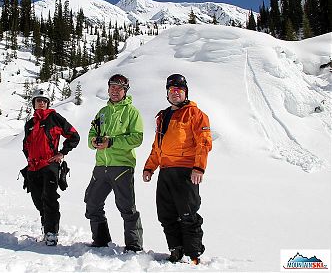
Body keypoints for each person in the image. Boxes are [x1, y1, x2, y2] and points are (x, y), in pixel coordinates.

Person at [143, 74, 212, 265]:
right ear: (167, 93)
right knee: (166, 214)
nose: (175, 94)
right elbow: (158, 146)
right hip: (165, 171)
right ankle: (176, 249)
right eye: (171, 90)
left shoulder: (195, 114)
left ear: (185, 93)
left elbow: (204, 142)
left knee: (188, 214)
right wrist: (149, 167)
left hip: (186, 171)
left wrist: (199, 167)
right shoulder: (163, 116)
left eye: (178, 90)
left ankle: (194, 254)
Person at [85, 74, 144, 253]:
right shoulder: (102, 112)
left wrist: (112, 142)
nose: (115, 91)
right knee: (92, 203)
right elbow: (90, 136)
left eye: (119, 88)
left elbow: (137, 138)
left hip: (122, 166)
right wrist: (94, 141)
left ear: (125, 91)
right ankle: (101, 240)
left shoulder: (132, 112)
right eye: (112, 87)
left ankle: (134, 245)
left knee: (126, 207)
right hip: (101, 166)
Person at [22, 88, 80, 246]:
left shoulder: (54, 118)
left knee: (50, 198)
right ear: (33, 104)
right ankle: (46, 227)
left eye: (44, 101)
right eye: (38, 101)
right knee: (38, 200)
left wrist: (62, 153)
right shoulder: (30, 124)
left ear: (47, 104)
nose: (41, 103)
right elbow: (25, 145)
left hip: (49, 166)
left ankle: (51, 232)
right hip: (33, 169)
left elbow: (74, 136)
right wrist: (29, 160)